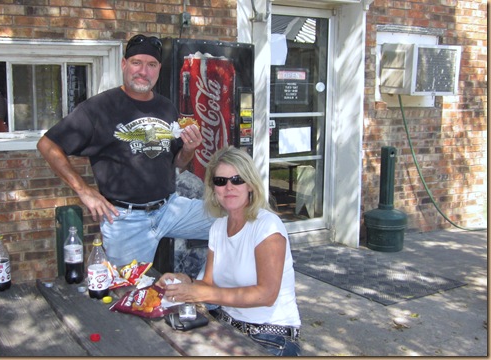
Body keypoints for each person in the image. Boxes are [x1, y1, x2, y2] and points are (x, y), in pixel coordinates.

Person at [37, 34, 215, 267]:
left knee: (237, 221)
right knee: (129, 293)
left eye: (151, 65)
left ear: (159, 69)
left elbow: (178, 163)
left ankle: (214, 290)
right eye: (136, 63)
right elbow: (47, 145)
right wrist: (84, 190)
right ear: (124, 64)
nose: (144, 71)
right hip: (125, 221)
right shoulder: (99, 107)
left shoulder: (166, 107)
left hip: (170, 208)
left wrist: (190, 149)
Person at [156, 146, 302, 356]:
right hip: (226, 327)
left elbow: (267, 295)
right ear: (213, 188)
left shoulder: (268, 226)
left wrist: (202, 292)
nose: (229, 187)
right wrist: (181, 281)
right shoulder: (218, 227)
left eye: (237, 179)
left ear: (250, 184)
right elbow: (208, 284)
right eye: (221, 181)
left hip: (270, 337)